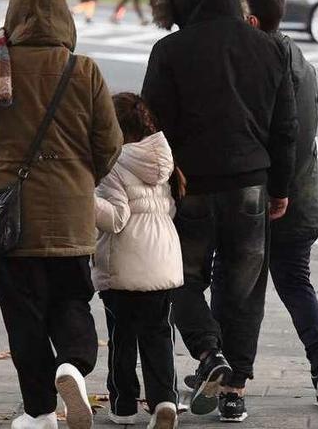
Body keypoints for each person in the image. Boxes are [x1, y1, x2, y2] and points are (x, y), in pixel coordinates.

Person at [0, 0, 123, 429]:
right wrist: (80, 177)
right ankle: (73, 364)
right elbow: (109, 141)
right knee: (72, 298)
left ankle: (39, 411)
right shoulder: (82, 68)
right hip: (70, 212)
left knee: (23, 314)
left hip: (9, 214)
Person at [142, 0, 297, 423]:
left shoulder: (169, 50)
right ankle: (234, 392)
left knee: (178, 279)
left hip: (191, 186)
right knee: (245, 290)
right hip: (251, 184)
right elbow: (285, 127)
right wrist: (281, 188)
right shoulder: (270, 47)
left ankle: (210, 354)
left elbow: (152, 126)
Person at [240, 0, 318, 407]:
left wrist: (272, 190)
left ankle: (228, 374)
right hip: (304, 200)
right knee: (296, 283)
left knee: (237, 287)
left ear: (250, 19)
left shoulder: (258, 63)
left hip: (266, 198)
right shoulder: (302, 59)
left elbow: (277, 136)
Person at [93, 93, 183, 429]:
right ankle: (164, 400)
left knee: (122, 337)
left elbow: (115, 219)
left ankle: (124, 404)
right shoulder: (162, 158)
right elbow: (170, 209)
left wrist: (84, 197)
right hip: (163, 260)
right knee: (159, 335)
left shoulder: (113, 162)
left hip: (124, 263)